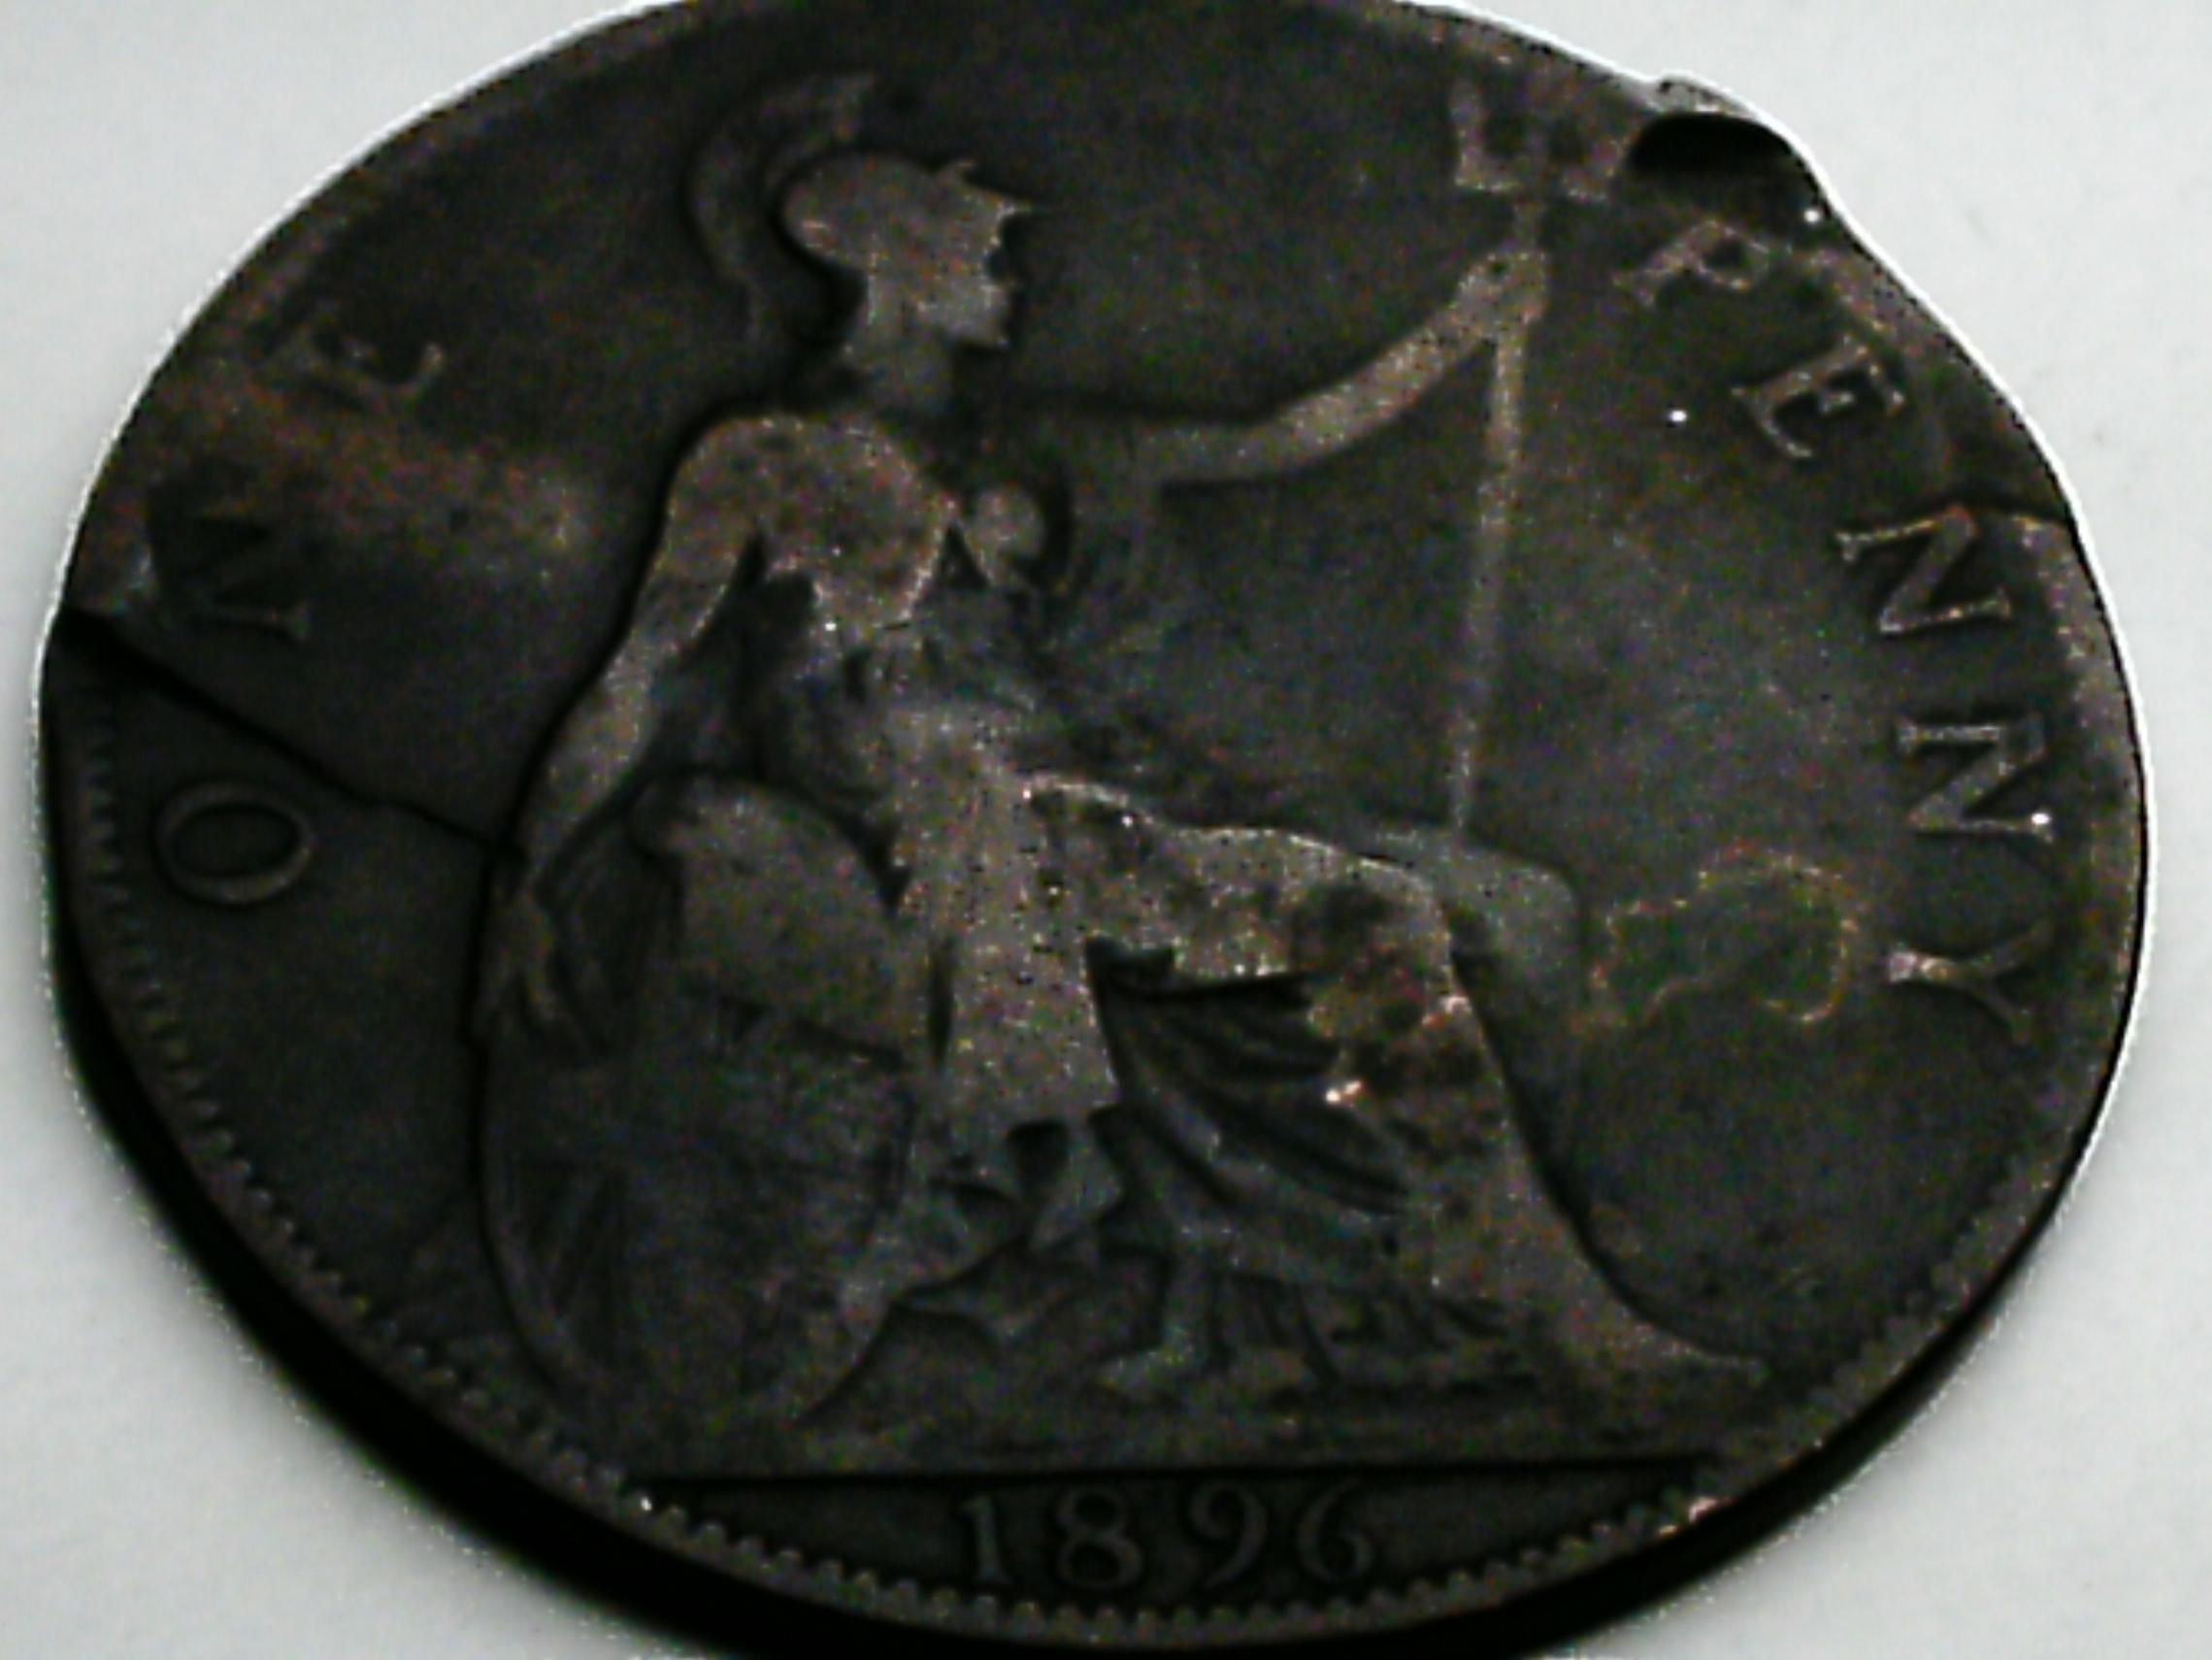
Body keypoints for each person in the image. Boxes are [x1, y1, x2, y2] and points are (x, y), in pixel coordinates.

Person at [474, 83, 1751, 1455]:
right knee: (1372, 915)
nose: (1009, 271)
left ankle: (1446, 1291)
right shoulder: (765, 461)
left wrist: (1460, 331)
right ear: (891, 269)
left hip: (1089, 824)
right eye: (978, 246)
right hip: (945, 852)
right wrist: (524, 879)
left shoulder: (1026, 445)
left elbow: (1270, 442)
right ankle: (1557, 1322)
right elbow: (641, 676)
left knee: (1484, 914)